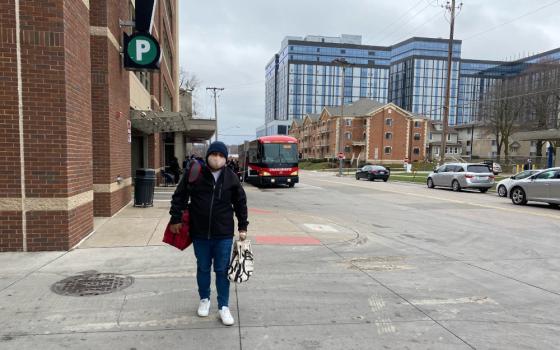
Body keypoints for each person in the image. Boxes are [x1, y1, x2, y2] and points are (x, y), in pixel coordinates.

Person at [169, 141, 249, 326]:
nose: (217, 158)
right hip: (200, 233)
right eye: (214, 154)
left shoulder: (231, 177)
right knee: (203, 268)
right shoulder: (195, 173)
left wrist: (243, 226)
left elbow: (240, 203)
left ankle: (223, 306)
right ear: (208, 156)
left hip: (223, 234)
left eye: (221, 155)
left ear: (226, 158)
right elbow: (179, 196)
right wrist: (175, 218)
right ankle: (204, 299)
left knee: (222, 271)